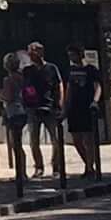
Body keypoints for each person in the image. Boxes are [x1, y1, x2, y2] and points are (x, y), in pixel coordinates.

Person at [12, 46, 66, 179]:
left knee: (57, 140)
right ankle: (39, 167)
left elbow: (59, 85)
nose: (30, 55)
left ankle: (56, 168)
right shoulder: (27, 70)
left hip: (50, 107)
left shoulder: (52, 68)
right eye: (29, 53)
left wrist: (59, 103)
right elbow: (22, 86)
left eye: (33, 52)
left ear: (41, 52)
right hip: (32, 109)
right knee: (34, 141)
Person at [63, 48, 108, 177]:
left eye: (73, 54)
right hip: (74, 109)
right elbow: (69, 89)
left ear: (80, 55)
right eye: (69, 55)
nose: (71, 57)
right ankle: (88, 164)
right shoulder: (70, 71)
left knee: (88, 139)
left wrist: (95, 101)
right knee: (76, 140)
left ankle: (89, 168)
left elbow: (98, 86)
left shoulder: (90, 70)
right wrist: (65, 107)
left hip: (87, 107)